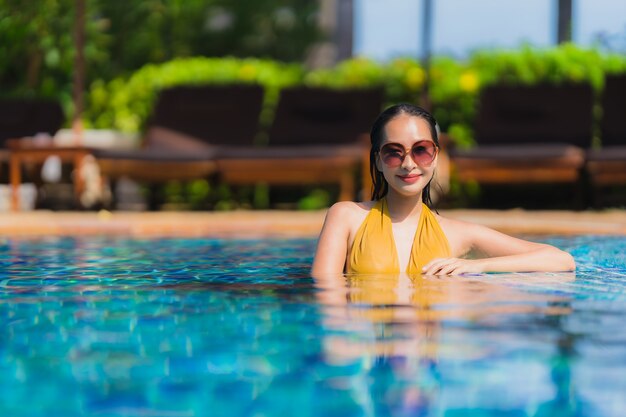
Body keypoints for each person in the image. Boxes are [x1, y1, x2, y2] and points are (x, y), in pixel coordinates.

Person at [311, 103, 576, 276]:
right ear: (379, 160)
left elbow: (561, 260)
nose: (408, 164)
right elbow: (325, 293)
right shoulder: (346, 216)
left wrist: (476, 265)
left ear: (435, 156)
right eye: (393, 153)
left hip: (429, 348)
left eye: (421, 151)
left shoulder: (457, 234)